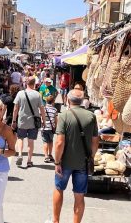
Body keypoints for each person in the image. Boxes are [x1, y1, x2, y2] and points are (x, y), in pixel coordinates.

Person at [53, 89, 99, 223]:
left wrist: (57, 162)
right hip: (83, 163)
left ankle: (56, 221)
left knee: (58, 189)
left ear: (67, 100)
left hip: (64, 162)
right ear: (83, 100)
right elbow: (95, 141)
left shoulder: (64, 115)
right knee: (79, 196)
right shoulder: (91, 116)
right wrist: (91, 156)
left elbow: (59, 143)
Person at [12, 76, 46, 167]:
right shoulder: (37, 94)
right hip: (33, 122)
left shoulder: (20, 93)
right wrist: (44, 120)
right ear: (34, 83)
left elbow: (15, 109)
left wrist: (14, 120)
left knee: (20, 138)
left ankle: (20, 154)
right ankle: (29, 160)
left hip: (22, 120)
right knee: (31, 141)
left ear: (26, 83)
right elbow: (42, 109)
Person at [42, 95, 58, 163]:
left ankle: (46, 156)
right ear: (53, 101)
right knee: (51, 141)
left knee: (45, 142)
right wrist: (56, 127)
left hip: (44, 127)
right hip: (51, 128)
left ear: (46, 101)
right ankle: (50, 154)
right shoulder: (54, 110)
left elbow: (41, 117)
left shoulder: (43, 108)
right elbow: (56, 120)